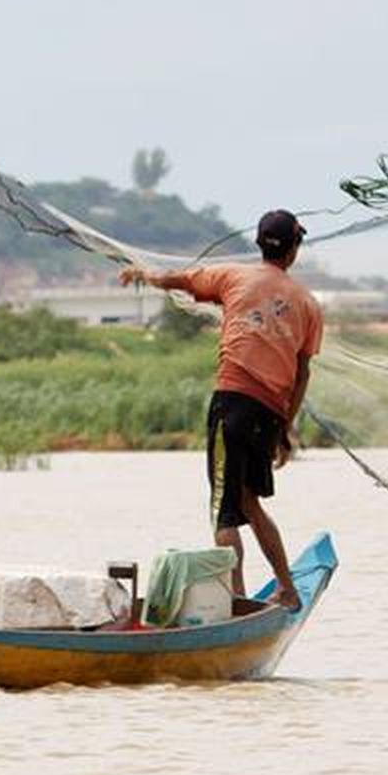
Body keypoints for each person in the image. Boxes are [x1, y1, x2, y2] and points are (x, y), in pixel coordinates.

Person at [120, 209, 321, 610]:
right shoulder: (307, 303)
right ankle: (286, 587)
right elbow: (301, 376)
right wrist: (284, 428)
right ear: (294, 249)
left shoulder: (233, 276)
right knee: (248, 502)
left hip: (232, 403)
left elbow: (177, 279)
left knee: (223, 512)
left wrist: (143, 274)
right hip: (269, 415)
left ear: (260, 244)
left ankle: (239, 603)